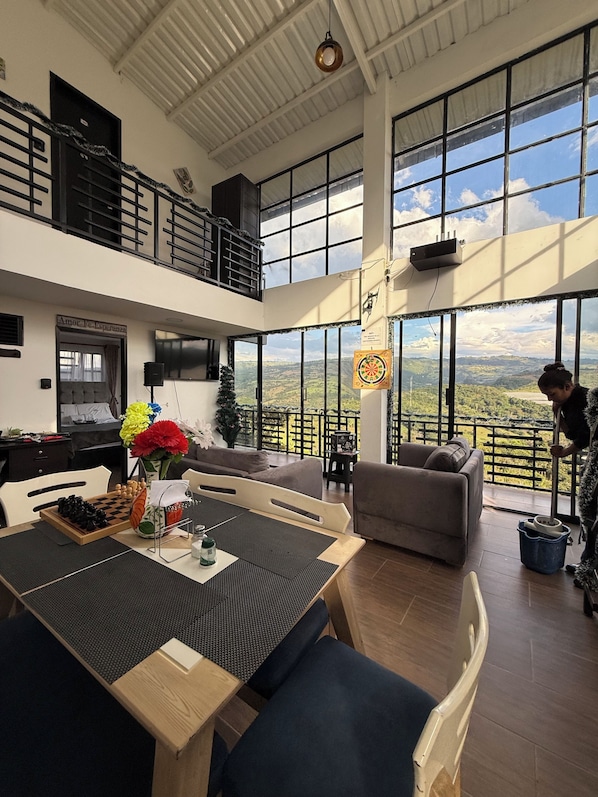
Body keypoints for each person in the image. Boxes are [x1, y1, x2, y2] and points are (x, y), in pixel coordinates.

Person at [537, 363, 598, 589]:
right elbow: (573, 433)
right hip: (594, 459)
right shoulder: (568, 403)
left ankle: (590, 570)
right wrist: (557, 415)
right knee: (590, 516)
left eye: (552, 394)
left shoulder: (585, 401)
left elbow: (583, 438)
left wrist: (564, 452)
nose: (550, 399)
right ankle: (587, 566)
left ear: (568, 386)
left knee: (592, 516)